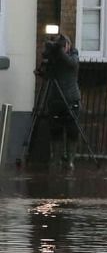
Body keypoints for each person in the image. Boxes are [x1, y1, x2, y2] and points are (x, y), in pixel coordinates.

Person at [36, 32, 83, 166]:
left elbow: (71, 64)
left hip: (71, 99)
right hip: (55, 100)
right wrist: (41, 72)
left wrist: (59, 51)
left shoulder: (73, 56)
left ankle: (70, 160)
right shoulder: (55, 59)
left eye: (63, 45)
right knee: (55, 131)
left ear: (68, 45)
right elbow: (48, 75)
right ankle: (56, 159)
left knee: (72, 131)